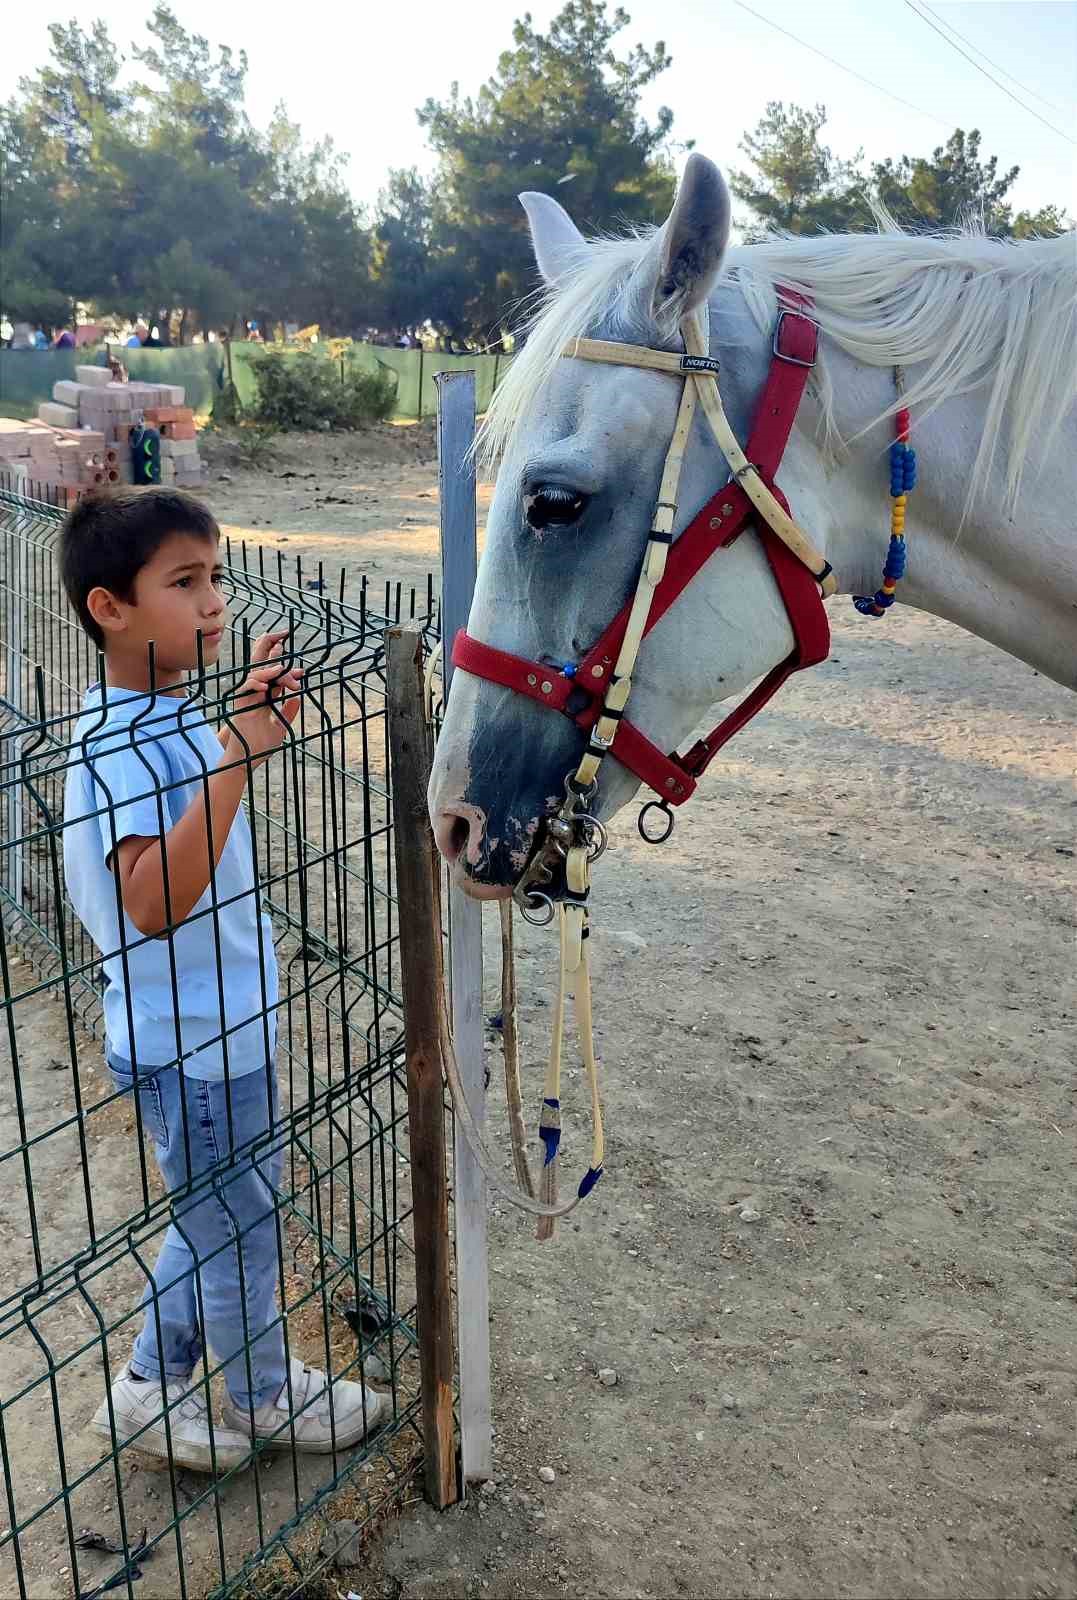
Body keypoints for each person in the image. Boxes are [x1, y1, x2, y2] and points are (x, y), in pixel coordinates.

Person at [60, 489, 389, 1473]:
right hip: (188, 1041)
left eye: (216, 578)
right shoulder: (119, 744)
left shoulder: (165, 715)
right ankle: (260, 1392)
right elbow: (152, 899)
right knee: (237, 1216)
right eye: (185, 581)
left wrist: (237, 728)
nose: (214, 602)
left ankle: (152, 1385)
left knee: (220, 1210)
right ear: (109, 608)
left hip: (223, 1027)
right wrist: (241, 755)